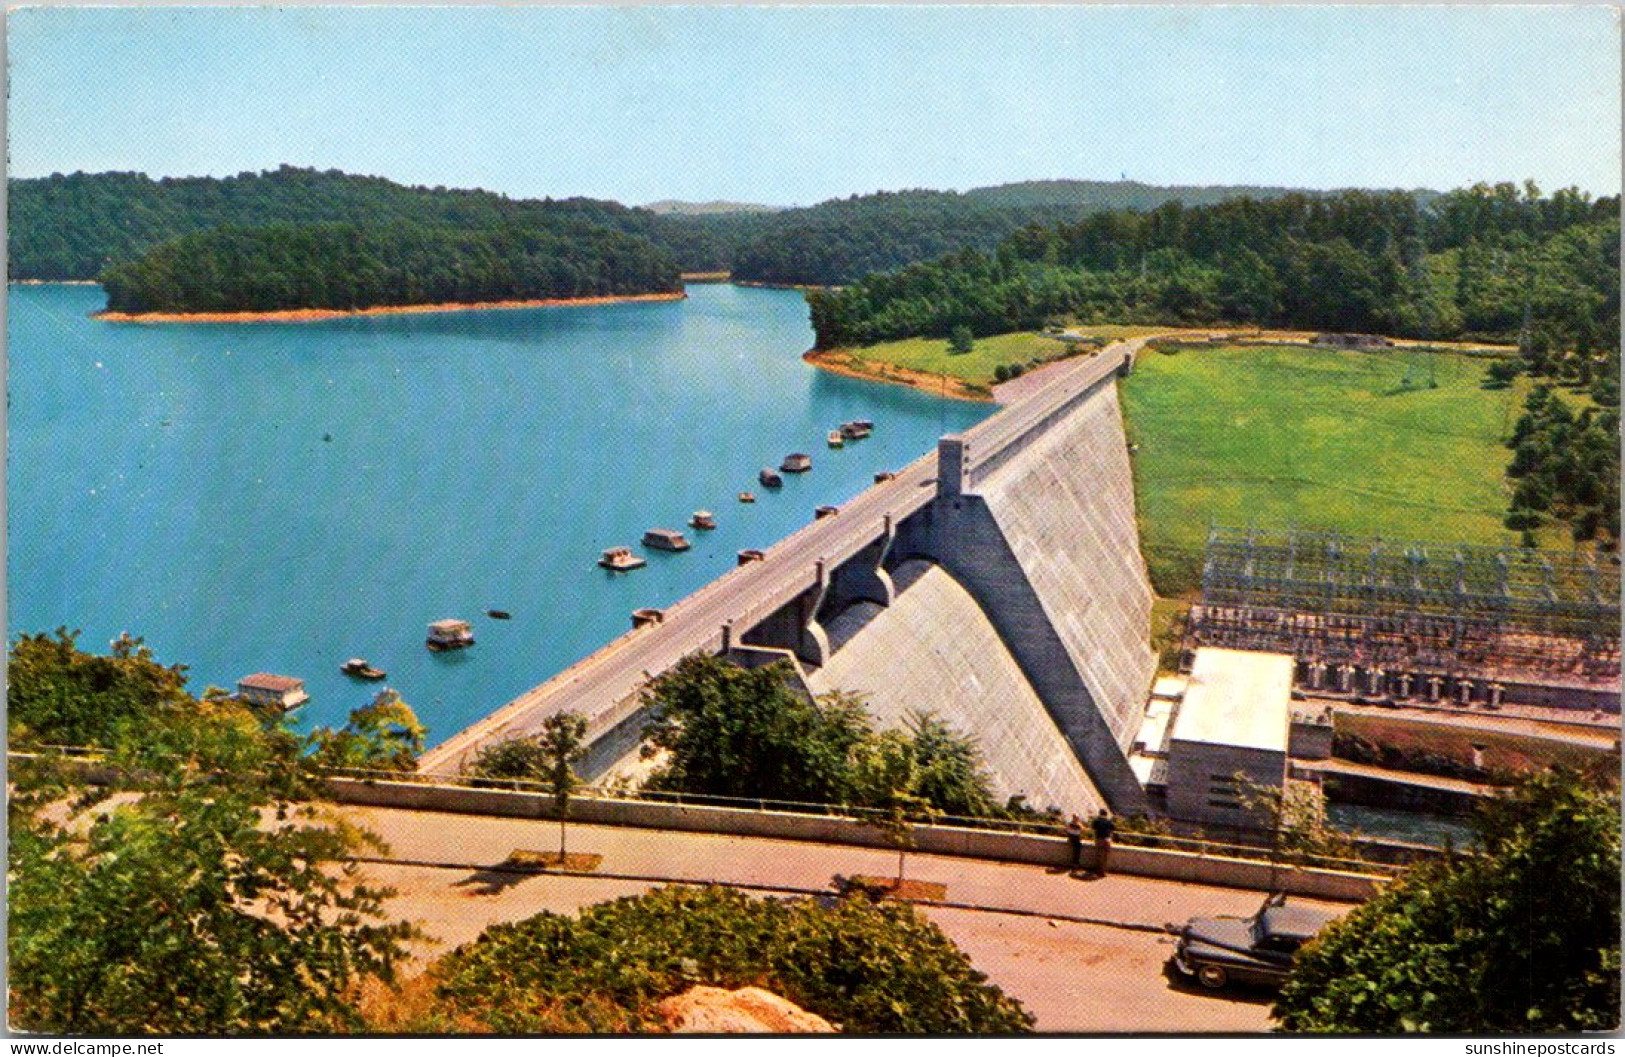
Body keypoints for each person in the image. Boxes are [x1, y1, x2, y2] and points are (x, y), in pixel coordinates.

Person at [1091, 808, 1116, 876]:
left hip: (1099, 839)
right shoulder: (1108, 821)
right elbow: (1113, 828)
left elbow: (1093, 827)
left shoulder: (1097, 821)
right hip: (1107, 839)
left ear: (1100, 813)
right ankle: (1103, 871)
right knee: (1106, 856)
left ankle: (1098, 870)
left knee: (1099, 855)